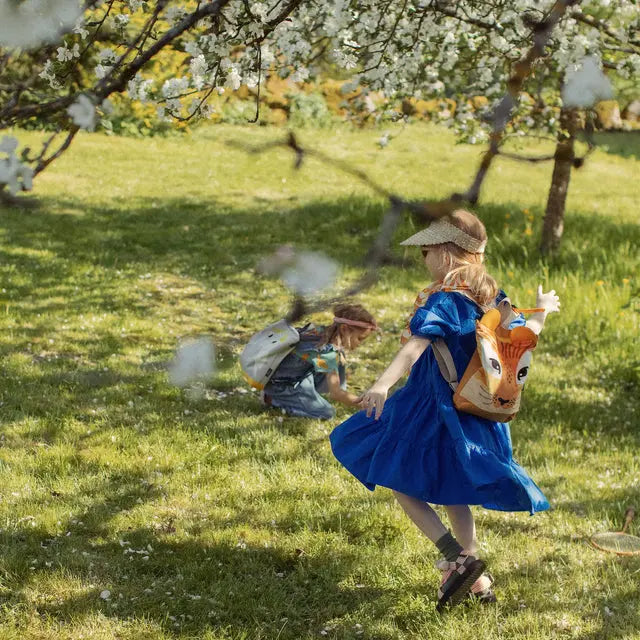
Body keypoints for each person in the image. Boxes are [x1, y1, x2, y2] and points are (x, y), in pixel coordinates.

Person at [330, 210, 560, 610]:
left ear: (445, 252)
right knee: (454, 488)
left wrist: (382, 384)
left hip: (431, 404)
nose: (424, 259)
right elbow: (521, 339)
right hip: (474, 408)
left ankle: (455, 557)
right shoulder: (491, 296)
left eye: (426, 251)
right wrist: (539, 310)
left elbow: (415, 346)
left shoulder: (445, 299)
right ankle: (477, 582)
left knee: (396, 475)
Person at [263, 303, 378, 419]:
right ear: (344, 329)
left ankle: (313, 394)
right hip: (282, 384)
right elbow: (336, 394)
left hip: (295, 375)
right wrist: (365, 405)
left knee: (340, 356)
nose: (359, 344)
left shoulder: (323, 332)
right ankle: (273, 399)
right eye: (360, 338)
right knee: (326, 413)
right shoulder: (327, 351)